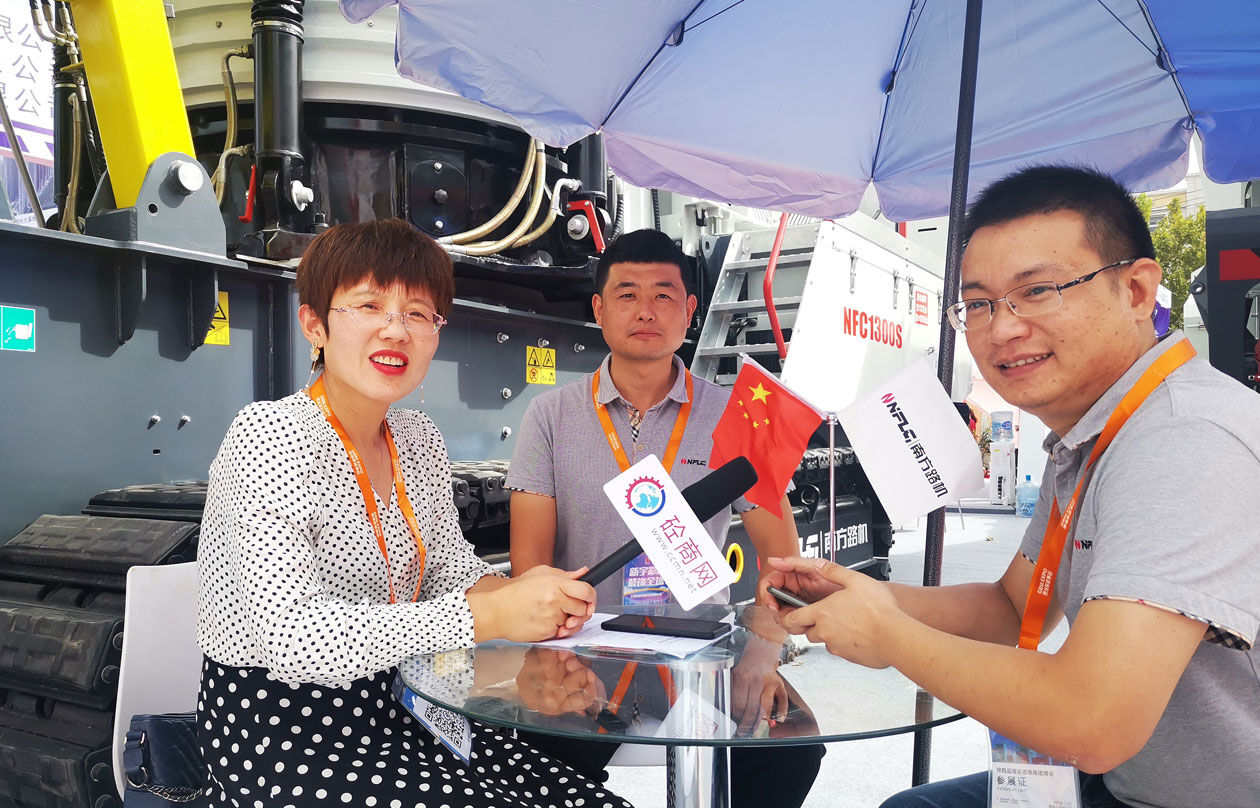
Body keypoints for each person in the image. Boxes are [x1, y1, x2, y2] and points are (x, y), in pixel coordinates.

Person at [762, 165, 1260, 808]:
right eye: (978, 304)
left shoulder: (1181, 439)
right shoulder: (1094, 433)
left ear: (1137, 291)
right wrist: (863, 594)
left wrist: (889, 635)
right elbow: (1011, 608)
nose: (1002, 328)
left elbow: (1092, 721)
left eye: (1039, 291)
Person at [195, 219, 631, 808]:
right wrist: (489, 616)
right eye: (369, 305)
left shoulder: (417, 437)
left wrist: (527, 596)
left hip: (410, 701)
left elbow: (449, 567)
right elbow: (294, 639)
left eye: (419, 313)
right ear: (315, 325)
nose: (396, 330)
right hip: (286, 732)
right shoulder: (270, 436)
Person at [506, 229, 824, 807]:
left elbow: (784, 564)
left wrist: (762, 654)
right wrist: (550, 656)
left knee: (791, 753)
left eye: (663, 295)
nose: (645, 311)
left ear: (690, 310)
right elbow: (531, 572)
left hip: (701, 646)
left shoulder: (735, 416)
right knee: (526, 759)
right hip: (583, 646)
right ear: (598, 308)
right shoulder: (549, 416)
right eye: (627, 294)